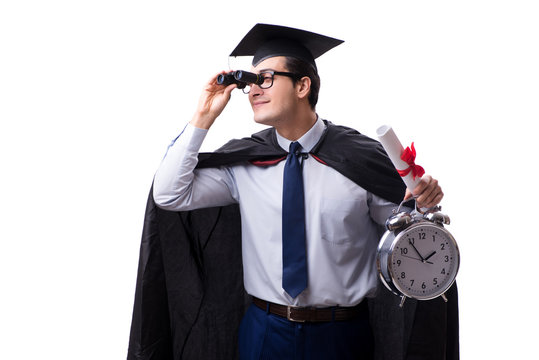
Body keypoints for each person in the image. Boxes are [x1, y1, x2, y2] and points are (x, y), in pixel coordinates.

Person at [128, 24, 458, 360]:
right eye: (250, 83)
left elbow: (411, 233)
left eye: (266, 78)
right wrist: (203, 116)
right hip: (264, 332)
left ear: (303, 85)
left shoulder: (359, 158)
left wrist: (421, 203)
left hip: (341, 336)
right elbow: (169, 193)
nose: (254, 89)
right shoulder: (244, 163)